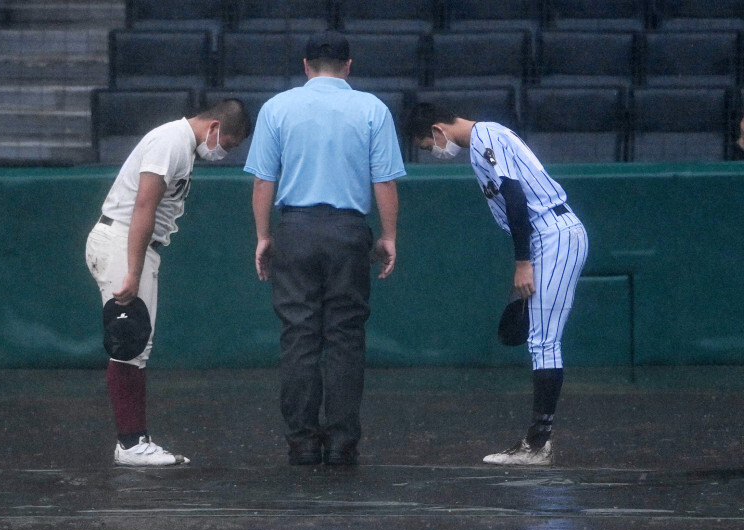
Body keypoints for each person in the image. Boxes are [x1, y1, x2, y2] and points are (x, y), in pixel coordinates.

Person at [244, 30, 406, 466]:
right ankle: (341, 442)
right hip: (348, 231)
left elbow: (264, 181)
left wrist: (264, 236)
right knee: (345, 338)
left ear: (306, 65)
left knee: (298, 336)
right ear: (349, 66)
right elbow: (384, 181)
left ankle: (301, 441)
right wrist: (388, 235)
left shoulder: (277, 108)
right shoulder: (373, 109)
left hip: (294, 229)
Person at [406, 103, 589, 466]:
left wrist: (523, 263)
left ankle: (537, 446)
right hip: (546, 236)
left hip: (554, 233)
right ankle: (537, 442)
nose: (435, 152)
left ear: (438, 128)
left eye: (429, 144)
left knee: (543, 340)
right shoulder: (480, 143)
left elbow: (517, 199)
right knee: (541, 339)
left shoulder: (486, 135)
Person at [86, 99, 252, 466]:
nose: (223, 152)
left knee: (136, 345)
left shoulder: (181, 146)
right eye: (228, 144)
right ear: (214, 128)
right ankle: (131, 444)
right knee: (128, 342)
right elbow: (144, 205)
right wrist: (133, 269)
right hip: (123, 241)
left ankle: (135, 439)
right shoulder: (171, 141)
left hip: (133, 244)